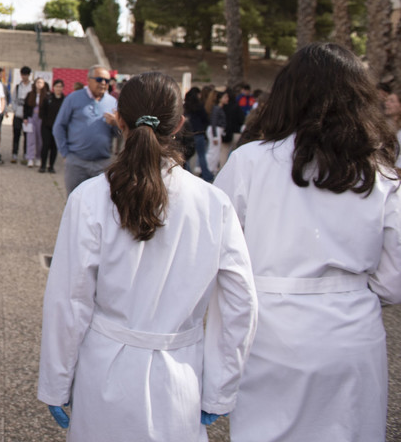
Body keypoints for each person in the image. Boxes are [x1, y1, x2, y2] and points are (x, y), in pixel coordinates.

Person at [38, 71, 257, 440]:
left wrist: (57, 381)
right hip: (181, 376)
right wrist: (220, 389)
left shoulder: (90, 198)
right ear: (180, 124)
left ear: (119, 121)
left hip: (104, 370)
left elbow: (69, 300)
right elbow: (240, 303)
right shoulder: (213, 203)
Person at [215, 43, 401, 442]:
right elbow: (395, 277)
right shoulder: (381, 172)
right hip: (351, 330)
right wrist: (348, 292)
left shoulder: (249, 162)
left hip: (268, 331)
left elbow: (216, 253)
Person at [52, 65, 120, 195]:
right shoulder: (73, 98)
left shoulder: (113, 102)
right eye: (99, 79)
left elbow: (119, 134)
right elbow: (59, 126)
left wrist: (116, 123)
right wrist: (65, 153)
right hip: (77, 163)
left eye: (107, 80)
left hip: (102, 164)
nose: (104, 83)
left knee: (99, 205)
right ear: (89, 80)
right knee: (74, 203)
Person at [183, 87, 213, 182]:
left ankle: (187, 174)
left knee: (186, 156)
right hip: (199, 133)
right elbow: (205, 119)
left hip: (188, 133)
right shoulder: (199, 106)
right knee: (201, 155)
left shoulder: (185, 106)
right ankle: (207, 175)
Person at [40, 79, 65, 174]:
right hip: (46, 126)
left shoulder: (65, 100)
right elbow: (42, 112)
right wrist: (47, 122)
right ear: (53, 87)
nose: (58, 88)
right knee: (45, 145)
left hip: (58, 128)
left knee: (54, 147)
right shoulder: (48, 98)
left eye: (60, 86)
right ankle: (43, 165)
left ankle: (51, 166)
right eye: (57, 86)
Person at [24, 76, 48, 167]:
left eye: (41, 82)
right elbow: (26, 107)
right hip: (31, 118)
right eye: (38, 82)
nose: (39, 84)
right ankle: (30, 157)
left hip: (41, 119)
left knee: (40, 139)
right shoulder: (30, 94)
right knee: (30, 138)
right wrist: (25, 117)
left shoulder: (46, 95)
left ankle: (38, 157)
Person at [11, 66, 33, 163]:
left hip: (28, 114)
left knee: (27, 135)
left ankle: (26, 154)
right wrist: (15, 109)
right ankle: (14, 153)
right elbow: (14, 99)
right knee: (16, 134)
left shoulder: (32, 87)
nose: (24, 77)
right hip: (18, 112)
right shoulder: (17, 86)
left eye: (26, 75)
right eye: (22, 75)